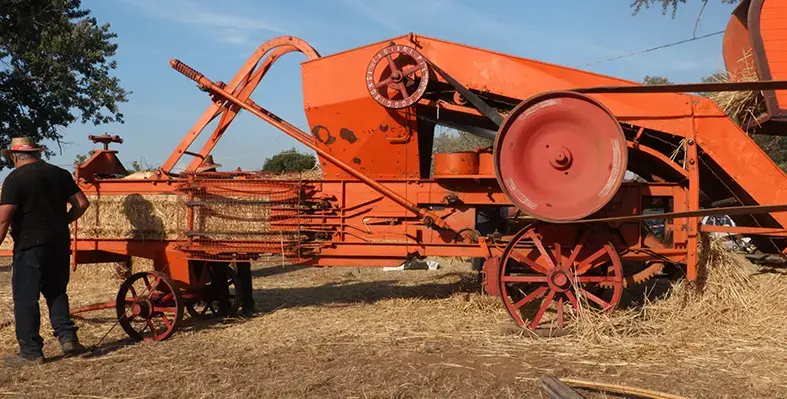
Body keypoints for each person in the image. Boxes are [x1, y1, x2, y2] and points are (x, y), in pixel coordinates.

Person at [0, 137, 91, 366]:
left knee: (26, 298)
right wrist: (63, 222)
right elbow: (82, 203)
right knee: (57, 291)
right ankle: (68, 338)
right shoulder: (59, 174)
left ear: (14, 156)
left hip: (30, 245)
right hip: (59, 242)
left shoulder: (14, 179)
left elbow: (4, 219)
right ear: (36, 153)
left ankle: (31, 351)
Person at [195, 155, 256, 317]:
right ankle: (229, 304)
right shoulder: (204, 186)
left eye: (211, 170)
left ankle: (244, 304)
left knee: (232, 267)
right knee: (222, 268)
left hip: (230, 234)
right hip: (219, 235)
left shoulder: (222, 184)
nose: (210, 173)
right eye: (207, 171)